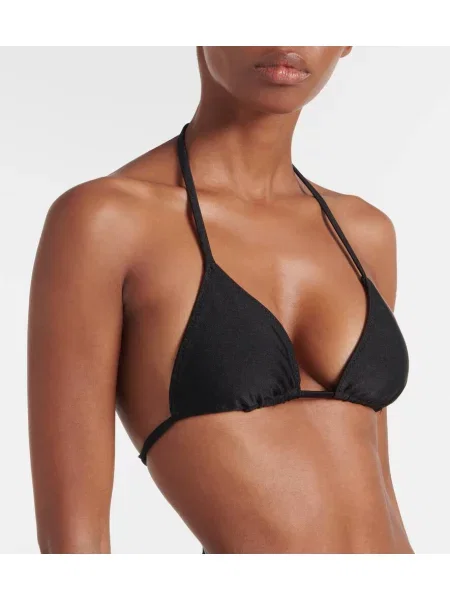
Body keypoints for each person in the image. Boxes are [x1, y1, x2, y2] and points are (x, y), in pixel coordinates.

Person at [28, 46, 412, 554]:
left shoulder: (364, 233)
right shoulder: (106, 221)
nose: (286, 38)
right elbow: (74, 544)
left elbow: (378, 479)